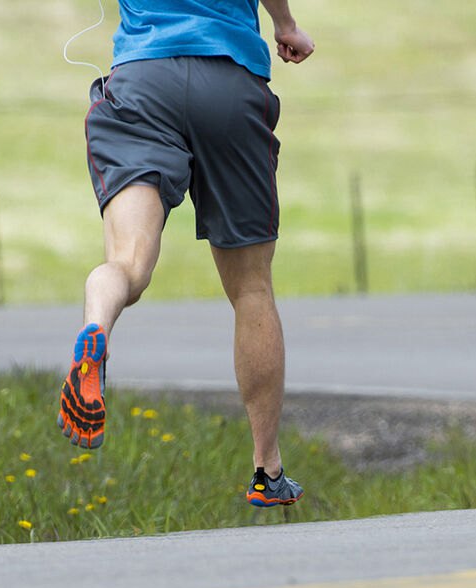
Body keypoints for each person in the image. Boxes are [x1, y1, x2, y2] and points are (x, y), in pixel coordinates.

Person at [57, 0, 314, 507]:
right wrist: (286, 25)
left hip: (142, 84)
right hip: (230, 80)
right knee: (251, 289)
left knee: (128, 263)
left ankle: (97, 331)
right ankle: (267, 471)